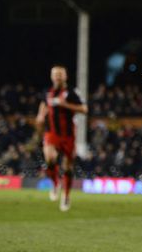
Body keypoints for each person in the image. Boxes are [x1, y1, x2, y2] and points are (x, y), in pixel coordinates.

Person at [35, 64, 88, 211]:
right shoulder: (48, 92)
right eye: (55, 74)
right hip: (51, 133)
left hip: (68, 135)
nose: (57, 77)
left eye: (60, 74)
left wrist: (66, 104)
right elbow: (44, 104)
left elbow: (84, 109)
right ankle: (55, 183)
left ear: (65, 76)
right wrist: (40, 115)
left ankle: (66, 195)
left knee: (67, 167)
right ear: (52, 76)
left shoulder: (72, 92)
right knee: (50, 158)